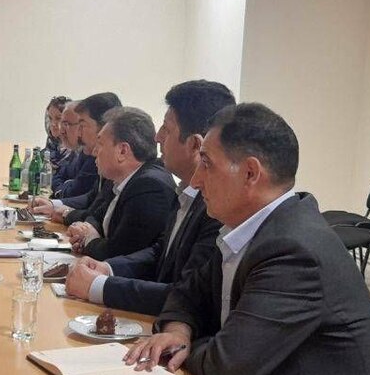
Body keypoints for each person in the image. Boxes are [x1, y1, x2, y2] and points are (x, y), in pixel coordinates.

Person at [125, 103, 370, 375]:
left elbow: (228, 368)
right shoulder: (246, 230)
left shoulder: (295, 250)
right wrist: (178, 330)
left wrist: (180, 346)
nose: (195, 180)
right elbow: (187, 293)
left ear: (250, 173)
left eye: (207, 163)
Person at [64, 80, 234, 314]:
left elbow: (190, 295)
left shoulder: (217, 209)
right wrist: (108, 269)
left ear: (195, 144)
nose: (157, 137)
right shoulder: (186, 193)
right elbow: (160, 253)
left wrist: (100, 286)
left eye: (166, 129)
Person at [65, 107, 176, 260]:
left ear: (122, 151)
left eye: (100, 144)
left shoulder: (149, 187)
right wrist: (88, 230)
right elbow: (96, 215)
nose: (95, 152)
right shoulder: (121, 178)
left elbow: (117, 253)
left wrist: (88, 240)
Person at [30, 92, 121, 221]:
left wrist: (66, 213)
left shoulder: (135, 179)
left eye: (82, 125)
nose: (78, 133)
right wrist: (54, 205)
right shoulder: (88, 153)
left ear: (104, 127)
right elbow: (91, 199)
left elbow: (94, 214)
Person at [51, 101, 83, 192]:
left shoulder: (90, 154)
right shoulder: (74, 151)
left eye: (66, 124)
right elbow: (57, 177)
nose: (61, 131)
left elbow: (75, 191)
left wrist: (63, 187)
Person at [42, 96, 70, 179]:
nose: (53, 124)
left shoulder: (77, 150)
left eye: (58, 118)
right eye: (50, 118)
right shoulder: (51, 143)